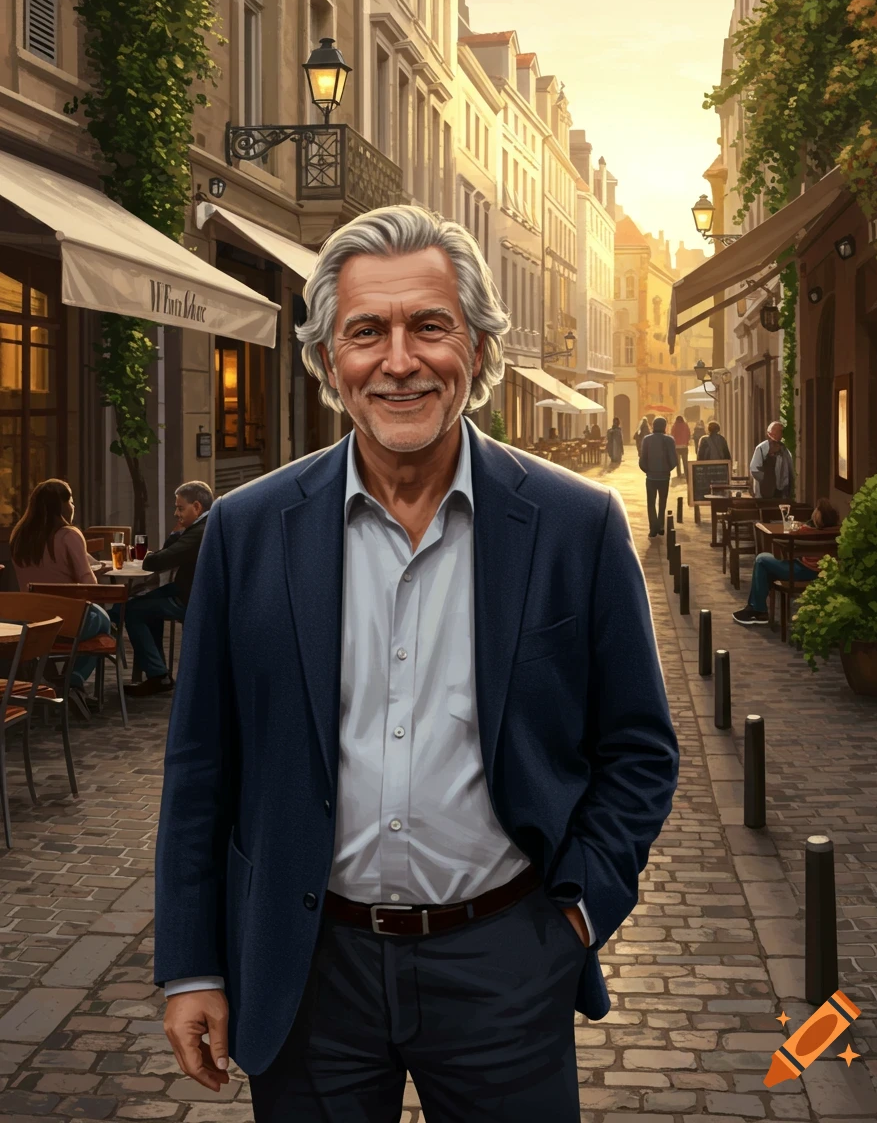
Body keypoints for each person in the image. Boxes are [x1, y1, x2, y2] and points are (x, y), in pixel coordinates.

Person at [155, 205, 679, 1121]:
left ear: (476, 350)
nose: (399, 360)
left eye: (429, 326)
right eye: (367, 332)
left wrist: (575, 917)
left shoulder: (575, 526)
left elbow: (639, 749)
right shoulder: (246, 532)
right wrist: (193, 962)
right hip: (311, 966)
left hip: (504, 963)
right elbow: (203, 766)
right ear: (328, 361)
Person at [9, 479, 111, 695]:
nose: (73, 506)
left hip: (32, 621)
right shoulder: (69, 535)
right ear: (62, 505)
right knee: (105, 621)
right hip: (68, 620)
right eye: (71, 501)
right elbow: (88, 586)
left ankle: (53, 676)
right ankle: (72, 681)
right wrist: (95, 572)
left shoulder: (19, 536)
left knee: (97, 620)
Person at [119, 481, 213, 698]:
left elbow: (158, 561)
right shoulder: (199, 526)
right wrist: (175, 536)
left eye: (180, 508)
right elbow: (168, 554)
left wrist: (148, 556)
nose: (176, 513)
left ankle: (158, 674)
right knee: (137, 604)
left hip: (191, 598)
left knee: (132, 610)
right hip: (185, 591)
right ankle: (157, 671)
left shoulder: (200, 531)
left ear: (197, 507)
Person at [733, 498, 840, 626]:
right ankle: (756, 609)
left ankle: (758, 610)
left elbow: (786, 546)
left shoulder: (805, 531)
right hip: (825, 574)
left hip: (803, 571)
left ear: (818, 516)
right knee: (766, 568)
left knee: (762, 560)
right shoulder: (836, 532)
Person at [639, 416, 678, 538]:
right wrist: (667, 470)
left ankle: (653, 528)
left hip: (650, 477)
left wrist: (648, 471)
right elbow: (674, 460)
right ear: (665, 426)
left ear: (653, 426)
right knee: (662, 502)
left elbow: (642, 459)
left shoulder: (647, 439)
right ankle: (661, 525)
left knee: (651, 503)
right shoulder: (670, 440)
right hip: (664, 477)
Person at [750, 421, 794, 500]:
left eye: (781, 431)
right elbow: (754, 469)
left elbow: (790, 469)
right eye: (778, 431)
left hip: (782, 493)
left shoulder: (785, 450)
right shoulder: (761, 448)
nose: (780, 434)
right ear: (770, 433)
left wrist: (789, 487)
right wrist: (767, 481)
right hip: (765, 493)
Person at [670, 415, 690, 479]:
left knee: (677, 462)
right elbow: (689, 434)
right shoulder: (686, 425)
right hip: (684, 446)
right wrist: (686, 441)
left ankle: (679, 474)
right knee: (685, 461)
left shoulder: (674, 426)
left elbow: (672, 435)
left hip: (676, 447)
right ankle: (686, 474)